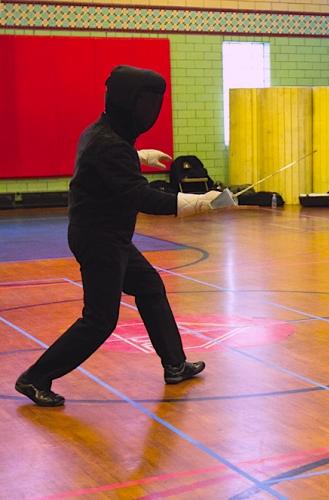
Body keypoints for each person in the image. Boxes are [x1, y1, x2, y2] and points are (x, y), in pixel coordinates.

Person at [15, 66, 228, 407]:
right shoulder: (109, 146)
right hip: (99, 240)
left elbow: (112, 161)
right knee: (100, 320)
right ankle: (35, 378)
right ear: (128, 102)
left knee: (149, 286)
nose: (149, 111)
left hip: (107, 235)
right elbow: (141, 197)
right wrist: (198, 203)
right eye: (145, 102)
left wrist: (140, 156)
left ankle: (174, 364)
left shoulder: (100, 133)